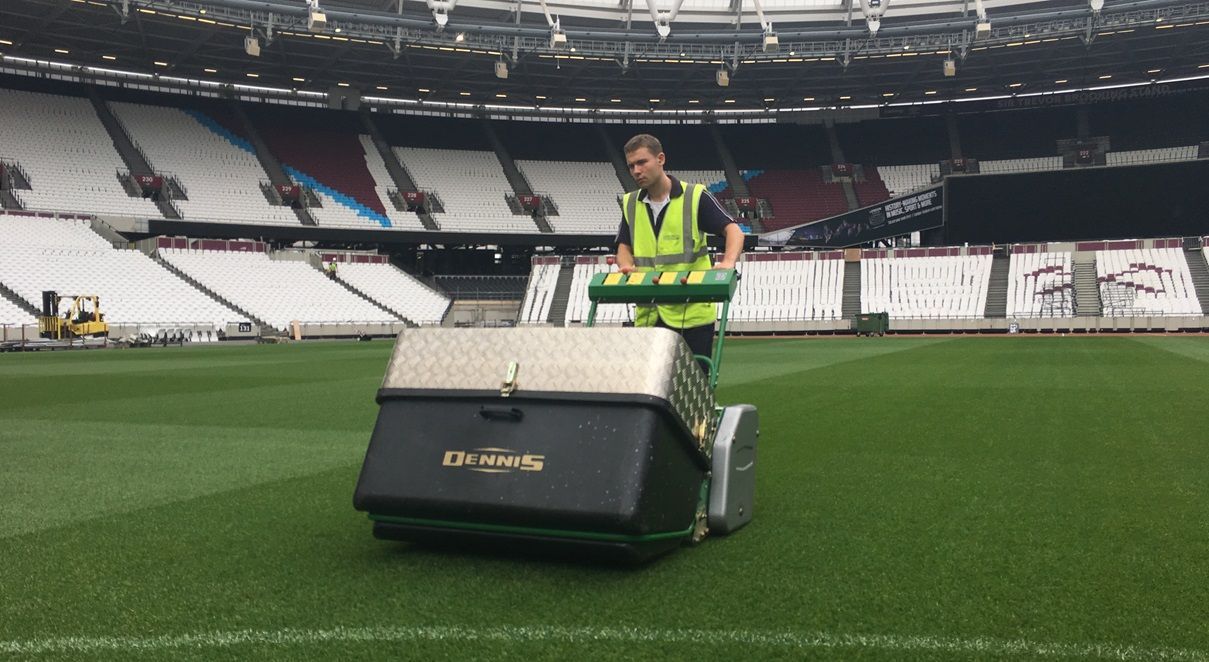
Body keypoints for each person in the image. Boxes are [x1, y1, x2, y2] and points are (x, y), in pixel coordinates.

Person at [615, 133, 744, 374]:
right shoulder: (630, 203)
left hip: (691, 314)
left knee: (693, 388)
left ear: (660, 159)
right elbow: (624, 246)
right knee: (650, 386)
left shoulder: (695, 196)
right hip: (649, 314)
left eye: (642, 162)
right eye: (631, 166)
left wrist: (727, 263)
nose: (636, 171)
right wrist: (625, 265)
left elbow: (734, 231)